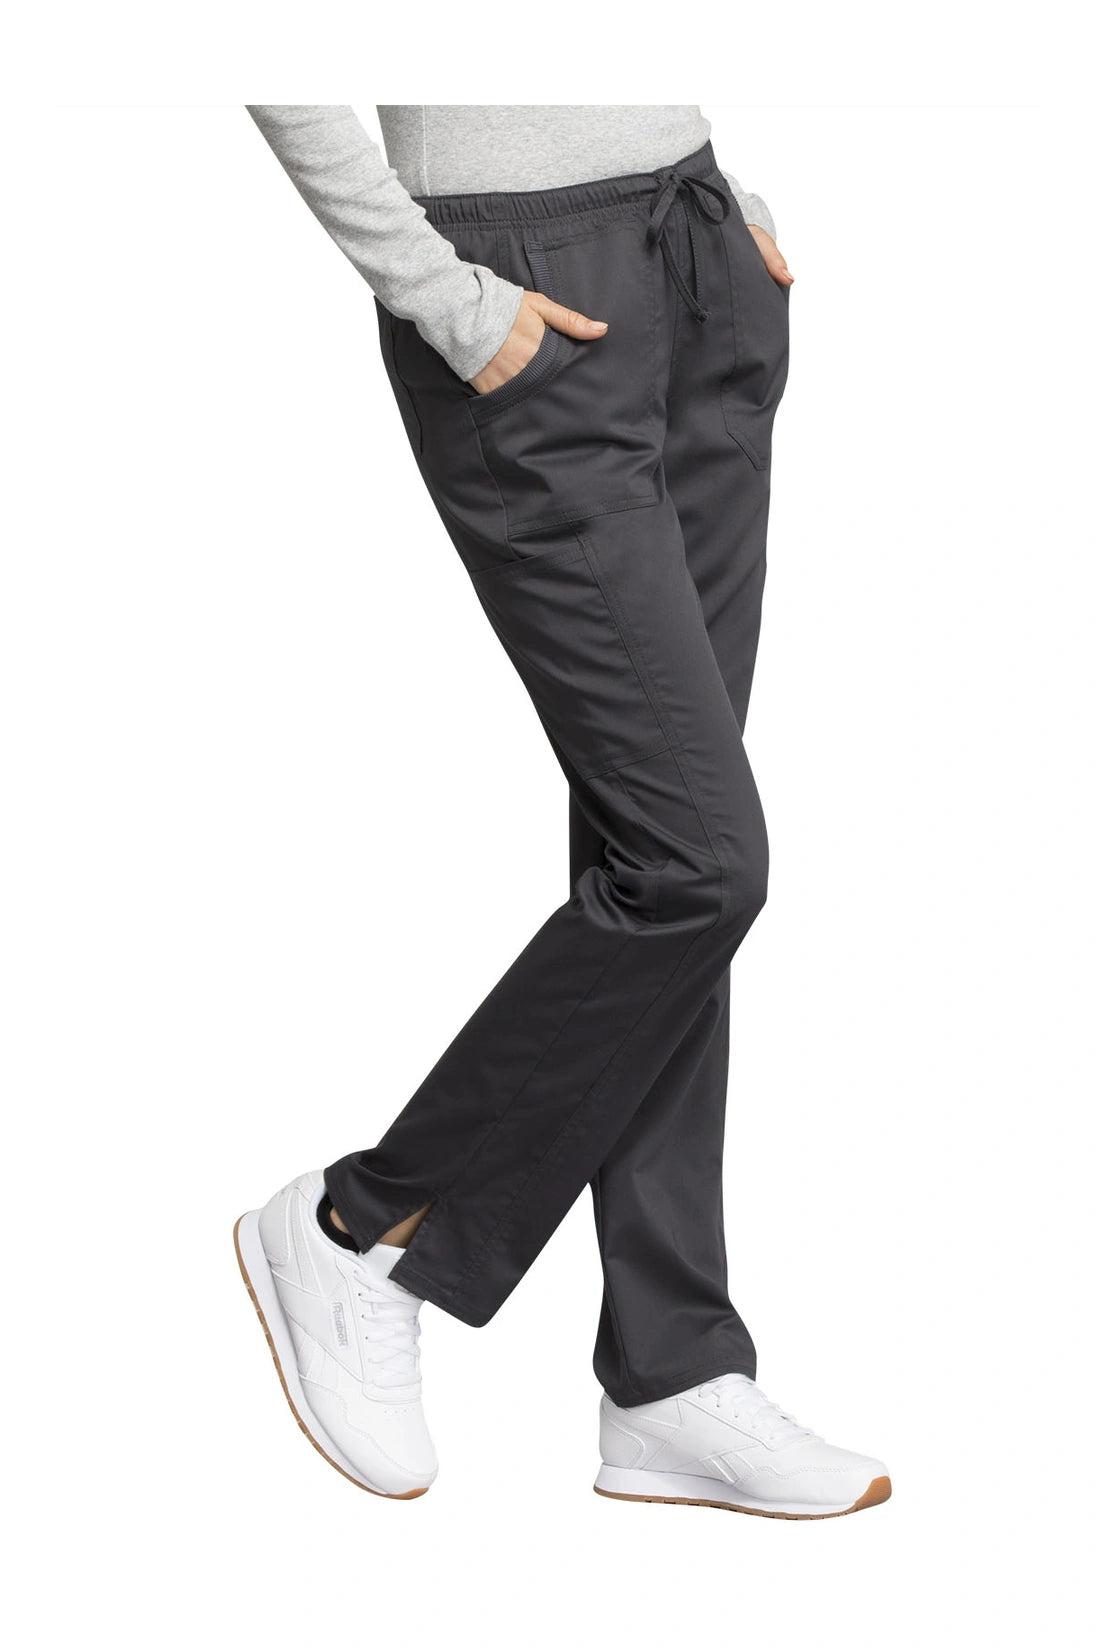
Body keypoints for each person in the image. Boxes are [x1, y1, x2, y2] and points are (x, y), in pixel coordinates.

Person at [234, 104, 891, 1519]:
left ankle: (669, 1369)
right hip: (519, 287)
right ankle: (361, 1225)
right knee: (698, 863)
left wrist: (730, 204)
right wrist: (433, 291)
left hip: (695, 254)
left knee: (658, 857)